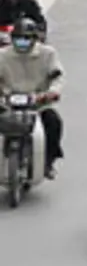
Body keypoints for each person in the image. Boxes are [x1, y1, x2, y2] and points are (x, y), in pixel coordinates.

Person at [0, 19, 62, 178]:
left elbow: (57, 77)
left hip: (38, 102)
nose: (22, 43)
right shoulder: (3, 55)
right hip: (8, 103)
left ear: (34, 39)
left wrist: (52, 92)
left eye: (26, 38)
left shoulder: (47, 54)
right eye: (18, 39)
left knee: (53, 122)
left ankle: (48, 162)